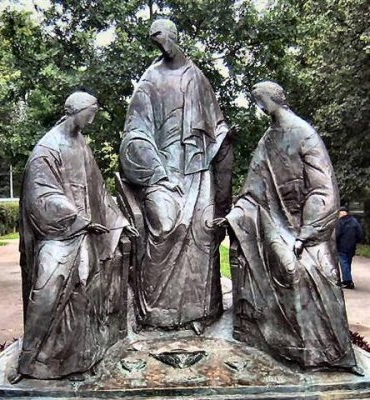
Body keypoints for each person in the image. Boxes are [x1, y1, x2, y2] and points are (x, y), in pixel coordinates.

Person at [214, 81, 361, 374]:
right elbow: (253, 187)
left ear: (275, 99)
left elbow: (322, 188)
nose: (260, 105)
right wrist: (235, 215)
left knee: (304, 270)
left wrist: (307, 231)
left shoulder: (304, 133)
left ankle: (320, 351)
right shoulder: (268, 140)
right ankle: (283, 341)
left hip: (304, 222)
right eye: (256, 101)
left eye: (262, 99)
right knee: (286, 266)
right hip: (273, 218)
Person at [14, 91, 138, 382]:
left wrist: (117, 221)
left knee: (85, 289)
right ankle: (32, 362)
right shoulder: (47, 149)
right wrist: (80, 220)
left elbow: (98, 190)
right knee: (48, 291)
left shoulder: (81, 143)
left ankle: (76, 362)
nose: (92, 120)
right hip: (58, 235)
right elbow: (42, 196)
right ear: (76, 111)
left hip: (83, 235)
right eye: (90, 114)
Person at [119, 19, 233, 334]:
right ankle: (157, 314)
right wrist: (158, 172)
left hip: (197, 170)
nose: (160, 42)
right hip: (161, 171)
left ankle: (201, 312)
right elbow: (135, 134)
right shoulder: (149, 81)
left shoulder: (198, 78)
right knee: (167, 224)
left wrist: (222, 140)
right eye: (154, 37)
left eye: (163, 35)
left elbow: (217, 126)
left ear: (175, 35)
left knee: (201, 227)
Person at [337, 206, 363, 289]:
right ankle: (347, 279)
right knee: (348, 263)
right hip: (352, 246)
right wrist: (357, 241)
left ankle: (348, 281)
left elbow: (337, 234)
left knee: (344, 263)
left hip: (342, 246)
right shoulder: (354, 221)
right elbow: (360, 233)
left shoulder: (340, 222)